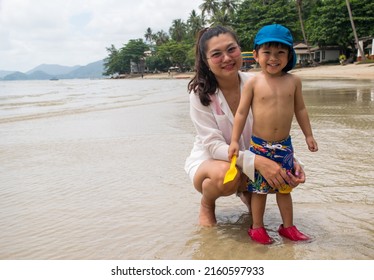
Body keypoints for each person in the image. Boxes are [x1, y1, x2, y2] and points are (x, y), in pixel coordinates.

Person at [185, 25, 306, 228]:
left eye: (231, 49)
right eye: (216, 54)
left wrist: (292, 161)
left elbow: (276, 127)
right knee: (226, 176)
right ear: (206, 61)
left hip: (256, 153)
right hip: (213, 162)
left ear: (243, 50)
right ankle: (207, 203)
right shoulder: (201, 94)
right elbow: (213, 146)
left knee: (262, 203)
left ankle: (246, 192)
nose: (226, 58)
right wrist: (257, 162)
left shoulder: (259, 81)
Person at [228, 24, 318, 244]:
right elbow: (241, 112)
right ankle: (257, 228)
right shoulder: (253, 82)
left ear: (289, 55)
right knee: (258, 191)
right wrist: (233, 141)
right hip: (259, 147)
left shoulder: (293, 81)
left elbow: (300, 109)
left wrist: (308, 135)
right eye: (267, 52)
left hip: (284, 146)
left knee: (285, 189)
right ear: (256, 55)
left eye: (280, 53)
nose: (273, 58)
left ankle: (288, 227)